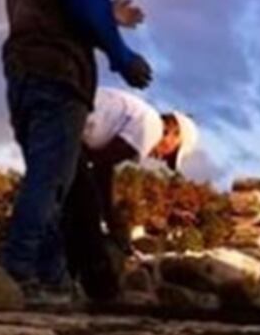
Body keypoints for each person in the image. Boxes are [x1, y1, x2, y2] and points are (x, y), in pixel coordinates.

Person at [0, 0, 153, 303]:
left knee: (53, 178)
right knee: (50, 181)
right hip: (58, 71)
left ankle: (49, 279)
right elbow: (83, 14)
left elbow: (53, 4)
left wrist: (110, 13)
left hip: (23, 67)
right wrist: (123, 58)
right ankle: (18, 271)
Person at [63, 87, 199, 301]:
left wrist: (112, 219)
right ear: (172, 133)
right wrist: (114, 226)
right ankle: (101, 291)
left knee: (73, 208)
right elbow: (100, 167)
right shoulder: (150, 127)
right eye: (171, 154)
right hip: (65, 122)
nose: (163, 160)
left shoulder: (137, 117)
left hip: (60, 117)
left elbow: (101, 170)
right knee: (85, 214)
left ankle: (61, 277)